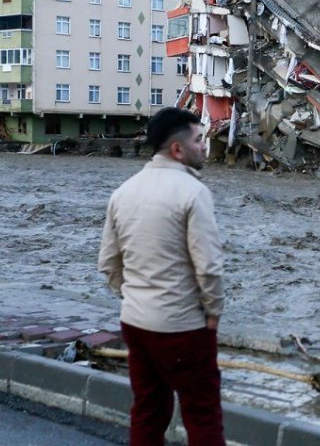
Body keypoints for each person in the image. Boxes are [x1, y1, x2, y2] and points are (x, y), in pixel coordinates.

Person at [98, 108, 225, 446]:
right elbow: (209, 266)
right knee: (202, 414)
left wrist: (136, 297)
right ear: (177, 150)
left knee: (148, 411)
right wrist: (212, 313)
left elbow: (109, 263)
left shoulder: (123, 192)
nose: (204, 146)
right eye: (198, 140)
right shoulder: (193, 192)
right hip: (182, 327)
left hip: (136, 323)